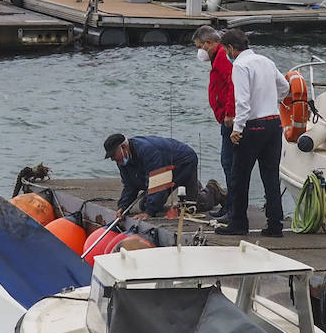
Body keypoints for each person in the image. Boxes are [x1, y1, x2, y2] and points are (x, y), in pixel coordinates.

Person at [216, 29, 289, 237]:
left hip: (253, 125)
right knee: (270, 176)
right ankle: (275, 224)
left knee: (240, 176)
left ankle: (238, 223)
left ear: (230, 48)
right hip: (274, 124)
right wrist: (272, 101)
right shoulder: (266, 61)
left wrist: (237, 129)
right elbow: (284, 86)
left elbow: (243, 101)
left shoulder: (239, 65)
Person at [103, 133, 210, 219]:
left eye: (113, 155)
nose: (112, 159)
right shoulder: (122, 161)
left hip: (183, 162)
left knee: (189, 207)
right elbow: (130, 186)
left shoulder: (148, 151)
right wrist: (123, 207)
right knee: (144, 205)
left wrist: (149, 213)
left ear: (123, 147)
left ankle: (213, 190)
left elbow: (158, 183)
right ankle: (194, 186)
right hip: (163, 165)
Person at [192, 25, 234, 211]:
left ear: (208, 43)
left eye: (199, 47)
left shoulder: (223, 58)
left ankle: (232, 207)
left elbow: (233, 84)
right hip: (224, 117)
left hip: (229, 119)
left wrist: (229, 113)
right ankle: (231, 204)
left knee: (229, 163)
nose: (199, 52)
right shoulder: (217, 58)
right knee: (228, 163)